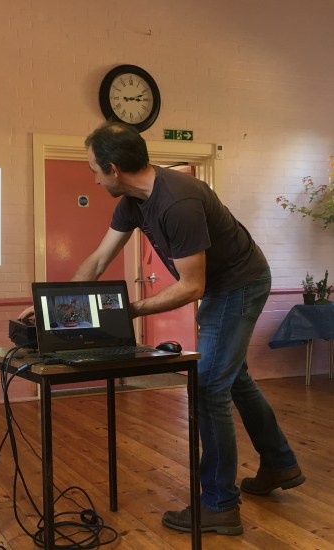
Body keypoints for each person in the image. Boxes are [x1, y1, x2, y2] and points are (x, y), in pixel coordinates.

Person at [19, 121, 305, 536]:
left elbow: (192, 286)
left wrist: (126, 312)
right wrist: (55, 308)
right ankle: (279, 462)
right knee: (233, 377)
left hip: (240, 284)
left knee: (209, 387)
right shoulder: (133, 202)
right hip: (220, 284)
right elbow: (98, 259)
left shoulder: (177, 202)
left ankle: (220, 505)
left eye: (94, 170)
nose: (94, 179)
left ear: (113, 169)